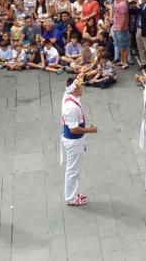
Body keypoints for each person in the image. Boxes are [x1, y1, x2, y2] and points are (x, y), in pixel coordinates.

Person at [61, 76, 96, 206]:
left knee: (74, 169)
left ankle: (73, 193)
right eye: (81, 86)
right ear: (75, 88)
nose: (83, 88)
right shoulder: (71, 107)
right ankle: (70, 198)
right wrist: (90, 131)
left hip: (74, 141)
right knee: (72, 170)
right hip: (73, 141)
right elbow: (74, 129)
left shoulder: (69, 96)